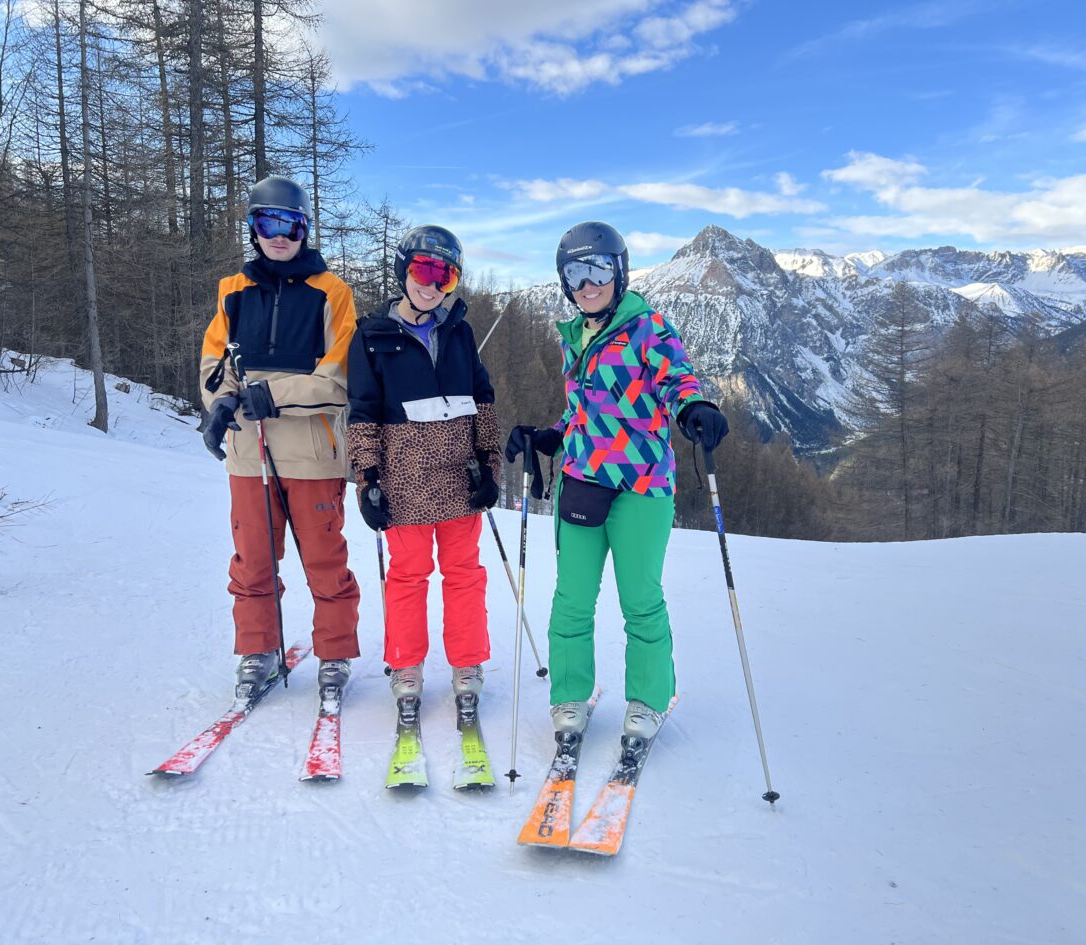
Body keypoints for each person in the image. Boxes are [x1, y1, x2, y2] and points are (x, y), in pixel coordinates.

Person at [505, 221, 729, 740]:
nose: (588, 284)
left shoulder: (647, 327)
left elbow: (676, 377)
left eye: (599, 270)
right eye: (575, 274)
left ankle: (648, 699)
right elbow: (582, 411)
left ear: (619, 272)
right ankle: (570, 695)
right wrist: (551, 435)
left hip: (641, 486)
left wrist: (693, 407)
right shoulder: (573, 338)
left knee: (640, 600)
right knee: (571, 599)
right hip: (582, 482)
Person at [199, 175, 361, 703]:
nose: (279, 236)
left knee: (325, 562)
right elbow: (215, 364)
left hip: (312, 452)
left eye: (290, 225)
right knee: (253, 562)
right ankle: (258, 649)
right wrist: (220, 403)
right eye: (267, 223)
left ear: (304, 229)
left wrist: (273, 394)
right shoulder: (233, 291)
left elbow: (339, 376)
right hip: (249, 451)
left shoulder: (331, 293)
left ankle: (334, 653)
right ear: (253, 227)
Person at [345, 225, 502, 707]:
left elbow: (483, 400)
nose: (431, 285)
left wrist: (489, 466)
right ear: (403, 270)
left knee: (464, 574)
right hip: (404, 482)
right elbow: (363, 413)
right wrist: (368, 480)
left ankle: (467, 662)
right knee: (408, 576)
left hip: (460, 479)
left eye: (444, 276)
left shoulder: (459, 331)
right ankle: (406, 664)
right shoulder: (372, 337)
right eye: (423, 270)